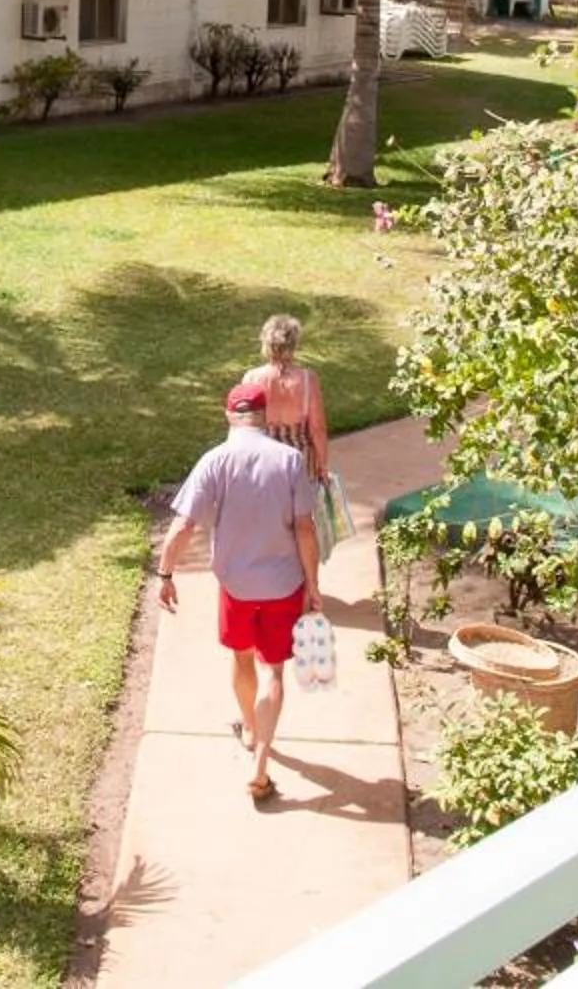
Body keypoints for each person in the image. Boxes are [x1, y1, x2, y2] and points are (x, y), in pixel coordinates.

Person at [156, 378, 322, 804]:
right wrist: (313, 587)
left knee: (242, 657)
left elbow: (183, 526)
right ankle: (261, 766)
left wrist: (166, 573)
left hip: (236, 588)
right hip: (284, 584)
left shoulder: (214, 461)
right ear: (264, 417)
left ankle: (249, 727)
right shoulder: (289, 461)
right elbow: (306, 528)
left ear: (228, 414)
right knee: (275, 671)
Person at [242, 314, 330, 480]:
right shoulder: (307, 380)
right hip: (300, 463)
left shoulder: (251, 378)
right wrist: (323, 466)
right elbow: (317, 429)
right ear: (293, 345)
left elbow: (244, 427)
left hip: (263, 462)